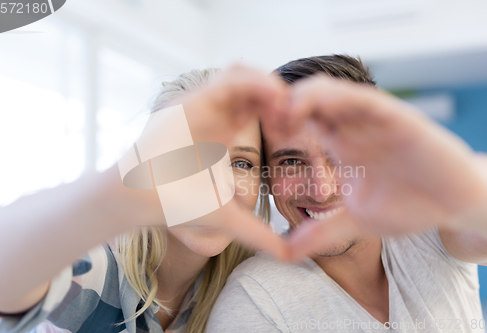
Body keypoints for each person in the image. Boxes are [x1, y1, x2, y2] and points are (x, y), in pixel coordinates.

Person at [0, 66, 290, 333]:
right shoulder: (100, 272)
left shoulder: (249, 285)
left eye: (241, 163)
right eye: (192, 157)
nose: (216, 186)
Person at [207, 55, 487, 332]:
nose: (322, 189)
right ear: (267, 177)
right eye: (291, 162)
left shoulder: (430, 227)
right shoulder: (256, 302)